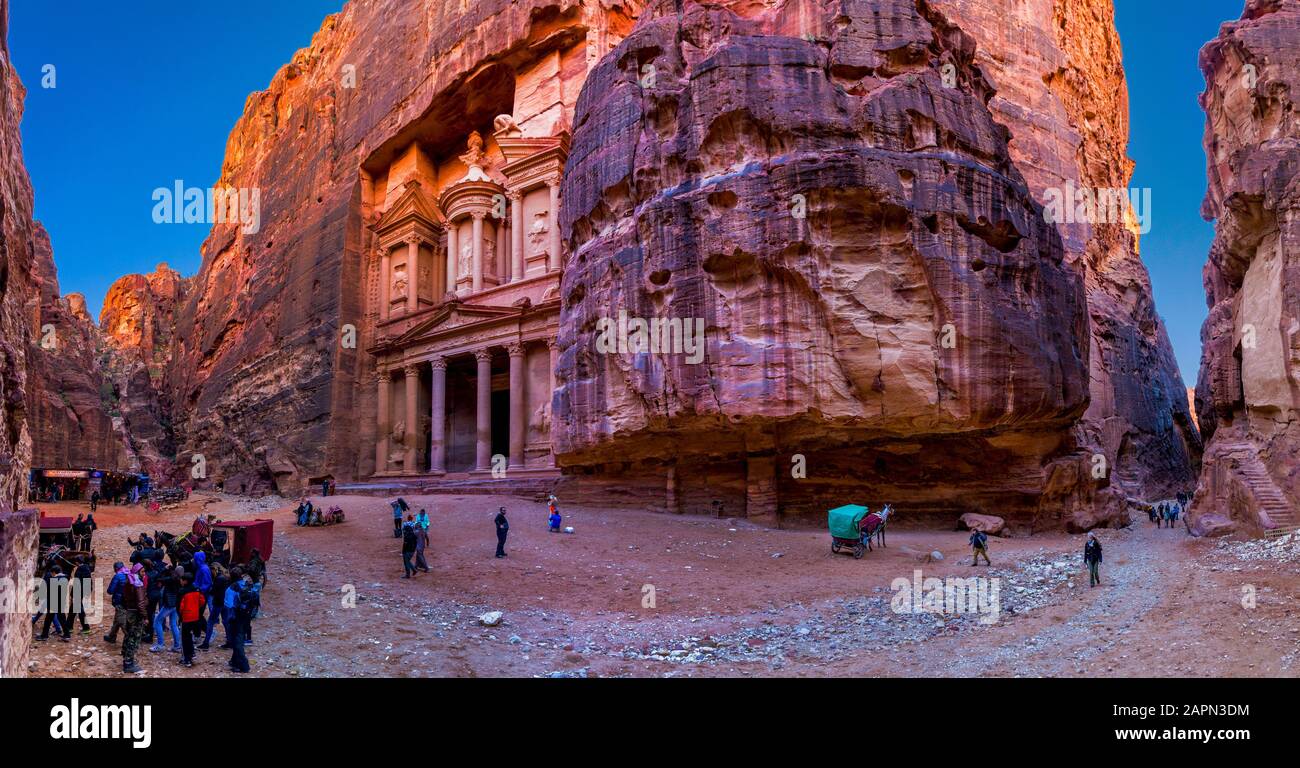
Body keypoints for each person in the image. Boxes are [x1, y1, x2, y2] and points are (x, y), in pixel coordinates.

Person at [120, 563, 149, 673]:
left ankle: (125, 656)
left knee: (128, 635)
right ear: (137, 573)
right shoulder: (138, 584)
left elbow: (123, 598)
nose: (144, 574)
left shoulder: (129, 582)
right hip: (136, 614)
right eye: (142, 572)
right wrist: (145, 617)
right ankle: (129, 663)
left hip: (129, 612)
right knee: (134, 638)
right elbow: (141, 603)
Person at [151, 565, 183, 653]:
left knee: (157, 621)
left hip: (168, 604)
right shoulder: (181, 580)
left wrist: (164, 569)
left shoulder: (170, 579)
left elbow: (158, 578)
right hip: (176, 604)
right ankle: (177, 646)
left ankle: (160, 645)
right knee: (174, 624)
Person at [201, 559, 230, 650]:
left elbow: (213, 591)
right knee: (225, 622)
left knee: (210, 622)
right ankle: (229, 641)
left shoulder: (218, 579)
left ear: (214, 569)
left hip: (218, 603)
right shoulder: (225, 577)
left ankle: (206, 643)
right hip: (225, 603)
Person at [36, 565, 71, 642]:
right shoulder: (65, 578)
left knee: (48, 620)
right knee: (62, 619)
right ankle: (67, 635)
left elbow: (50, 592)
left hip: (54, 602)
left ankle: (44, 636)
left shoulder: (55, 580)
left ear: (54, 572)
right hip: (61, 601)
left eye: (52, 573)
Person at [225, 570, 251, 673]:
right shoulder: (246, 583)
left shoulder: (231, 589)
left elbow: (229, 605)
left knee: (237, 641)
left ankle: (244, 665)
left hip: (236, 617)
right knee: (239, 637)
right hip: (246, 615)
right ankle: (234, 661)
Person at [177, 574, 206, 667]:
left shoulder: (182, 591)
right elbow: (202, 601)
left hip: (186, 618)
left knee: (185, 638)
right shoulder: (197, 589)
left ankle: (186, 659)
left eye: (181, 580)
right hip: (196, 617)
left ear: (185, 581)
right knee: (190, 636)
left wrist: (180, 616)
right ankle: (192, 654)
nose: (180, 581)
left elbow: (180, 607)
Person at [103, 561, 128, 643]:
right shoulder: (129, 573)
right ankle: (112, 636)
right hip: (130, 601)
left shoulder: (117, 576)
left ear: (116, 568)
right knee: (117, 619)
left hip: (119, 601)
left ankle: (130, 638)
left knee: (121, 620)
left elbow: (110, 591)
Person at [67, 556, 93, 635]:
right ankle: (69, 627)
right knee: (72, 610)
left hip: (78, 592)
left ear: (77, 562)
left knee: (79, 611)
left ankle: (86, 628)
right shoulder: (86, 568)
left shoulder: (80, 569)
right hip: (82, 591)